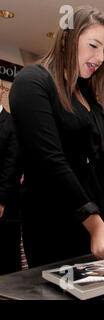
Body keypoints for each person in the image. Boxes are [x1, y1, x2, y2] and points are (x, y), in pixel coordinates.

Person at [9, 6, 104, 268]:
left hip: (97, 218)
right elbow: (49, 161)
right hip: (55, 221)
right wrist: (93, 223)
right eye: (93, 46)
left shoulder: (87, 96)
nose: (99, 58)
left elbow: (100, 157)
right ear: (66, 39)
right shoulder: (32, 82)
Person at [0, 80, 23, 274]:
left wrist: (1, 200)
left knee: (7, 259)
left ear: (1, 91)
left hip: (6, 206)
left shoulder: (11, 123)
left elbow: (12, 164)